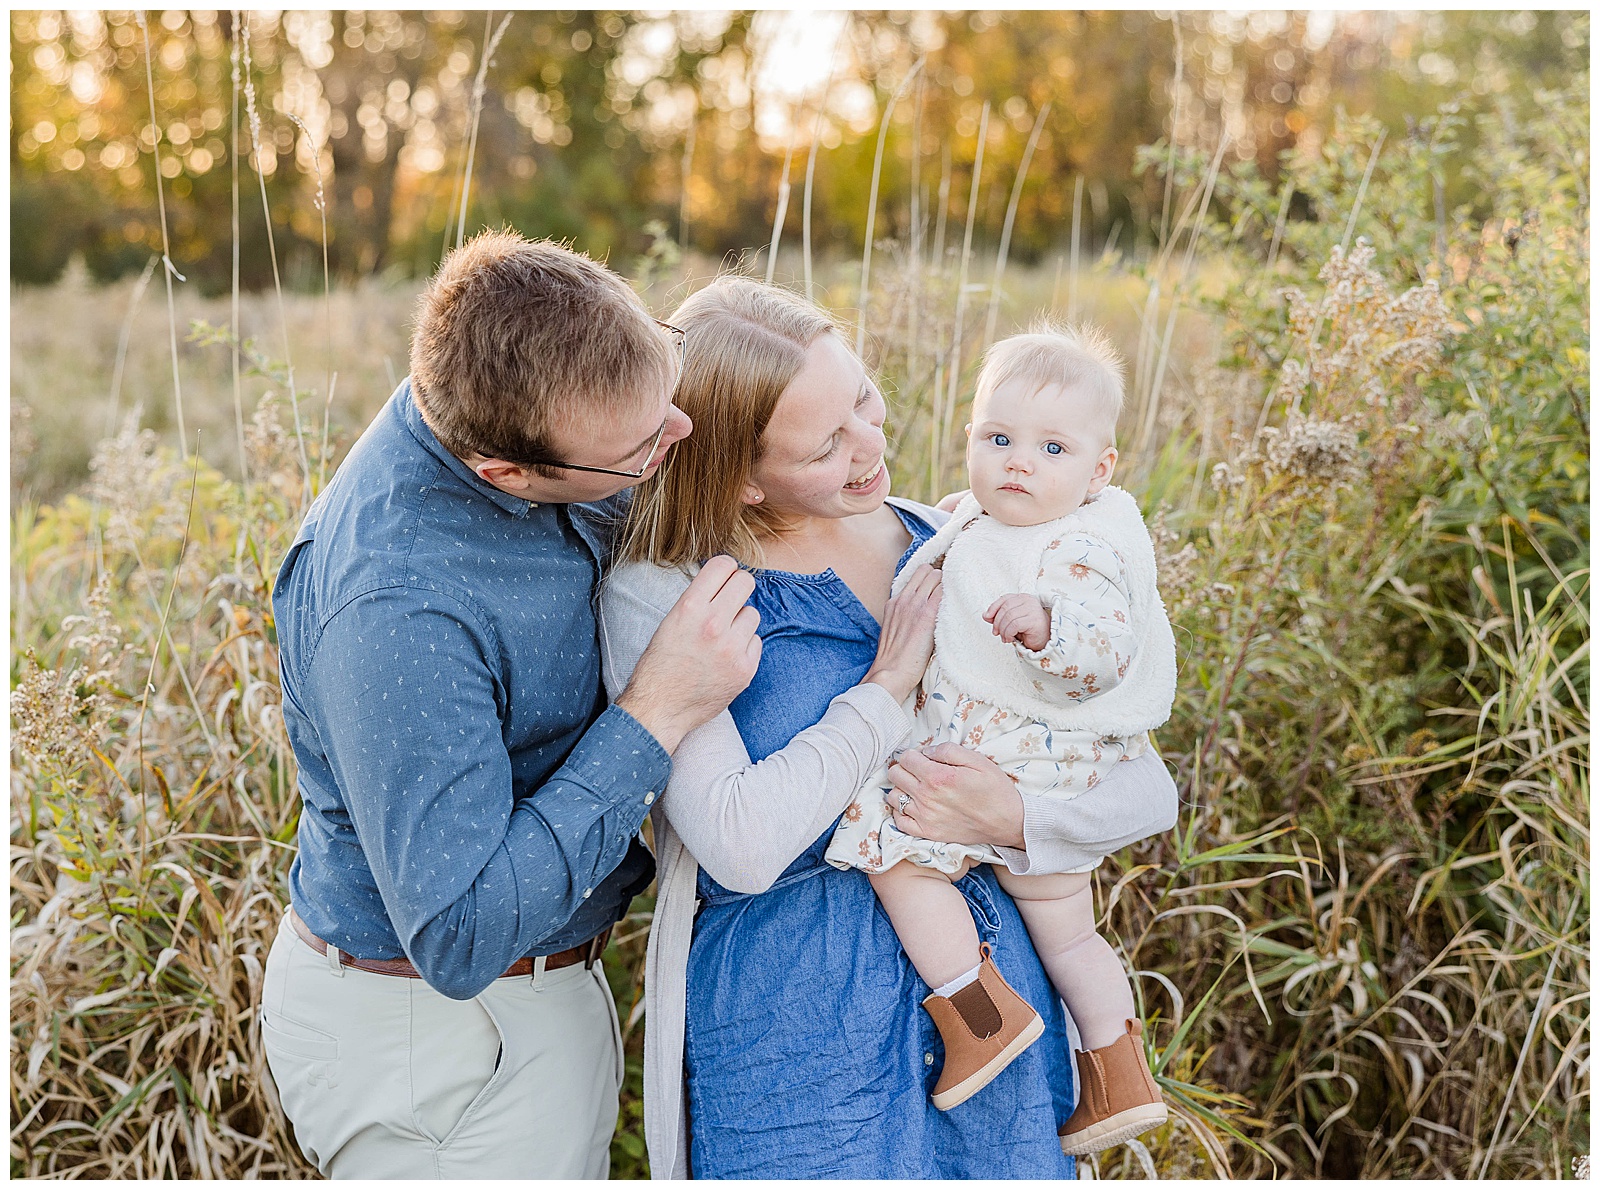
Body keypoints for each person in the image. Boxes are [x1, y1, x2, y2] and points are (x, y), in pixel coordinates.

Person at [599, 277, 1181, 1178]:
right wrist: (886, 687)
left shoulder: (959, 539)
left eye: (863, 400)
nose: (872, 445)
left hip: (1001, 1015)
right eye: (827, 442)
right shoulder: (668, 590)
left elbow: (1144, 788)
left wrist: (1010, 818)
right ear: (744, 480)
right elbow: (740, 848)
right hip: (800, 1043)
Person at [260, 231, 763, 1179]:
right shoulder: (396, 608)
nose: (678, 437)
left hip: (537, 1002)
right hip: (434, 1045)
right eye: (640, 452)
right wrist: (657, 713)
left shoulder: (521, 388)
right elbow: (457, 933)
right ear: (507, 474)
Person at [824, 324, 1175, 1152]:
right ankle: (1117, 1070)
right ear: (969, 440)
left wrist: (1044, 627)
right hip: (1049, 774)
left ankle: (976, 1011)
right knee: (1069, 931)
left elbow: (1104, 652)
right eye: (998, 438)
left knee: (889, 849)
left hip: (1017, 752)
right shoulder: (987, 522)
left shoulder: (1082, 547)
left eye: (1052, 448)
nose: (1019, 462)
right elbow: (978, 536)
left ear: (1099, 472)